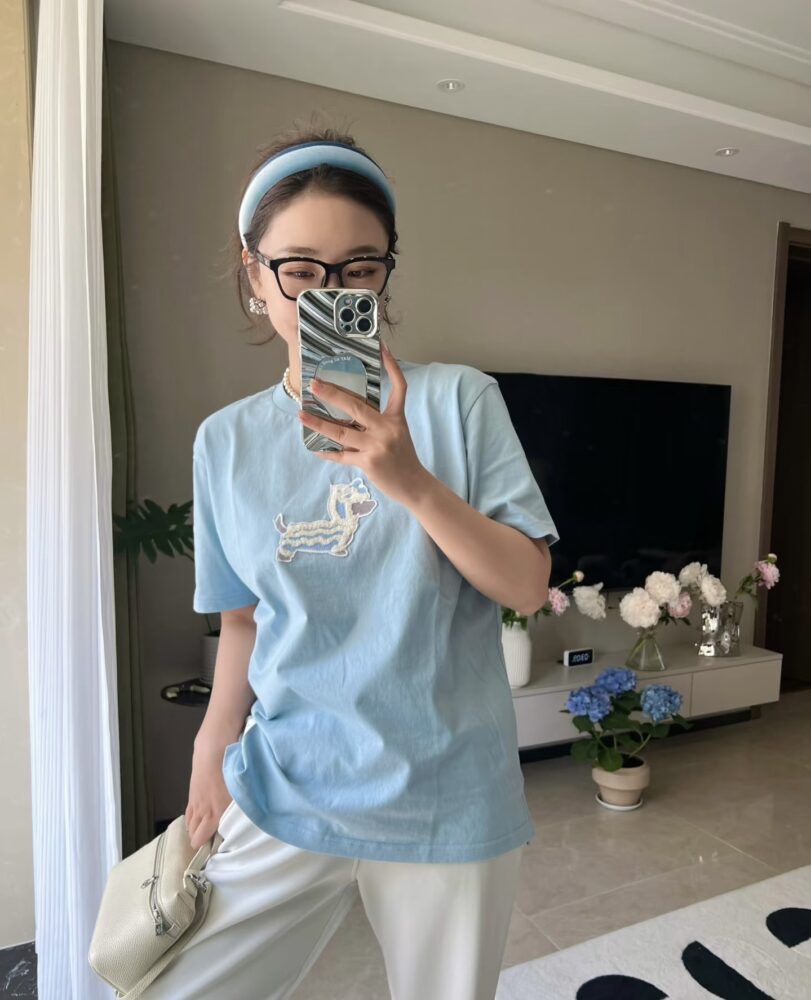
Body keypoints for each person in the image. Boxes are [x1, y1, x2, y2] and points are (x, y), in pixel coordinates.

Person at [144, 121, 560, 1000]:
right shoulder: (225, 441)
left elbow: (526, 585)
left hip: (446, 793)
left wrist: (409, 481)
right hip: (287, 780)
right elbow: (241, 619)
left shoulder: (460, 402)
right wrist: (210, 752)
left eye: (359, 268)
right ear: (254, 274)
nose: (328, 292)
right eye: (299, 269)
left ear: (384, 276)